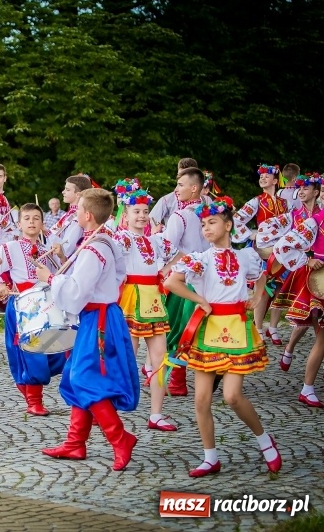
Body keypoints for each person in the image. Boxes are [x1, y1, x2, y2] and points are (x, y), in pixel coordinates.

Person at [164, 197, 280, 477]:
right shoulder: (200, 259)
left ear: (228, 225)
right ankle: (210, 458)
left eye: (212, 222)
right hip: (208, 330)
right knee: (201, 400)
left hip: (238, 330)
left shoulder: (245, 256)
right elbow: (171, 281)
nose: (206, 228)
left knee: (232, 396)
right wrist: (199, 299)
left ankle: (265, 442)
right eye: (203, 224)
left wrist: (255, 295)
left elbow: (263, 274)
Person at [36, 188, 140, 471]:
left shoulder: (95, 248)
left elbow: (76, 293)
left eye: (79, 208)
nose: (75, 212)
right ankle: (74, 443)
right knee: (76, 376)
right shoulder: (99, 241)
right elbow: (116, 277)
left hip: (99, 320)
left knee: (84, 378)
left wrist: (51, 278)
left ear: (88, 215)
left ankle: (120, 439)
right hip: (100, 317)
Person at [0, 203, 62, 416]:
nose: (31, 222)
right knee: (30, 350)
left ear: (42, 224)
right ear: (19, 224)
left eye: (36, 218)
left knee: (58, 349)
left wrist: (61, 256)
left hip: (46, 305)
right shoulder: (8, 248)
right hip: (22, 305)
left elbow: (62, 275)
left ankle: (31, 388)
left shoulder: (49, 250)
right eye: (27, 218)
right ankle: (34, 399)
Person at [111, 181, 178, 431]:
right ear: (125, 215)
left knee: (160, 358)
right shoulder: (122, 238)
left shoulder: (156, 241)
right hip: (131, 298)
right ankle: (110, 408)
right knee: (126, 356)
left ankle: (156, 414)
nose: (141, 215)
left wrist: (166, 270)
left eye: (144, 211)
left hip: (154, 299)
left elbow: (181, 254)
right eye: (135, 211)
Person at [257, 172, 321, 372]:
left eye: (306, 188)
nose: (301, 191)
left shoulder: (321, 215)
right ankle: (288, 347)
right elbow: (265, 231)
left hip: (321, 273)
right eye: (299, 188)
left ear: (316, 192)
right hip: (301, 269)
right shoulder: (293, 216)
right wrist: (302, 258)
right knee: (306, 317)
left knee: (315, 318)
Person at [271, 194, 324, 409]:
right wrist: (307, 259)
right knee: (322, 338)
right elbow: (283, 246)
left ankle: (307, 388)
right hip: (320, 282)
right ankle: (307, 389)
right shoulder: (315, 221)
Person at [161, 167, 209, 396]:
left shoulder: (180, 216)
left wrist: (170, 265)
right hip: (206, 280)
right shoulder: (214, 213)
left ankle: (179, 379)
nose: (176, 189)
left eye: (180, 185)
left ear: (194, 188)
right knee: (190, 327)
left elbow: (167, 248)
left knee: (181, 329)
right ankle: (178, 378)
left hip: (188, 280)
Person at [232, 164, 289, 346]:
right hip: (263, 250)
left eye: (267, 176)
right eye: (261, 176)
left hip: (281, 251)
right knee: (263, 289)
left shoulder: (284, 203)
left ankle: (273, 327)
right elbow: (236, 219)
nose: (263, 178)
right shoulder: (256, 201)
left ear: (275, 180)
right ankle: (258, 328)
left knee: (280, 289)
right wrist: (251, 234)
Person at [149, 158, 198, 231]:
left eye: (186, 176)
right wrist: (162, 229)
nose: (182, 178)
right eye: (180, 175)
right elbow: (152, 218)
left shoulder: (204, 200)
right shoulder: (168, 199)